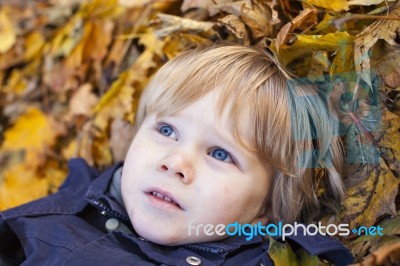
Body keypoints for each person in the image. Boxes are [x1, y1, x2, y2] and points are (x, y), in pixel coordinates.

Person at [0, 44, 353, 265]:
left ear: (267, 209)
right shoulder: (62, 213)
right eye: (166, 131)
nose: (175, 163)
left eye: (220, 153)